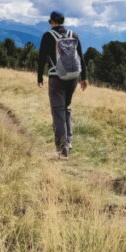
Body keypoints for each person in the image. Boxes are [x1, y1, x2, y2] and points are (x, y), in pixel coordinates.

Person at [37, 11, 88, 159]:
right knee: (66, 108)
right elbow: (81, 57)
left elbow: (41, 58)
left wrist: (39, 77)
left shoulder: (48, 36)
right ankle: (69, 141)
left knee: (58, 110)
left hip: (56, 77)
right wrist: (84, 78)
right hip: (73, 77)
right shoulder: (74, 34)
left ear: (52, 21)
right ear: (63, 21)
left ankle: (62, 146)